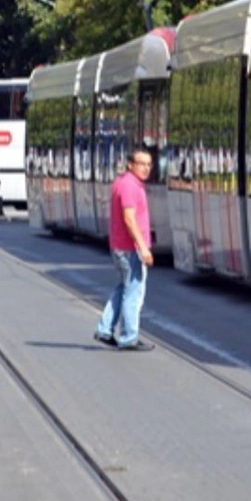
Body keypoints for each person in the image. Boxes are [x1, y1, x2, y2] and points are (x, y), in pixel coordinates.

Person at [94, 148, 156, 351]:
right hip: (129, 248)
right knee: (133, 292)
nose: (146, 168)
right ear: (130, 164)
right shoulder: (129, 185)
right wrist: (143, 248)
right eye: (141, 163)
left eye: (149, 164)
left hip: (121, 247)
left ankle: (105, 329)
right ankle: (129, 337)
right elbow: (129, 219)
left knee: (124, 288)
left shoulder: (124, 182)